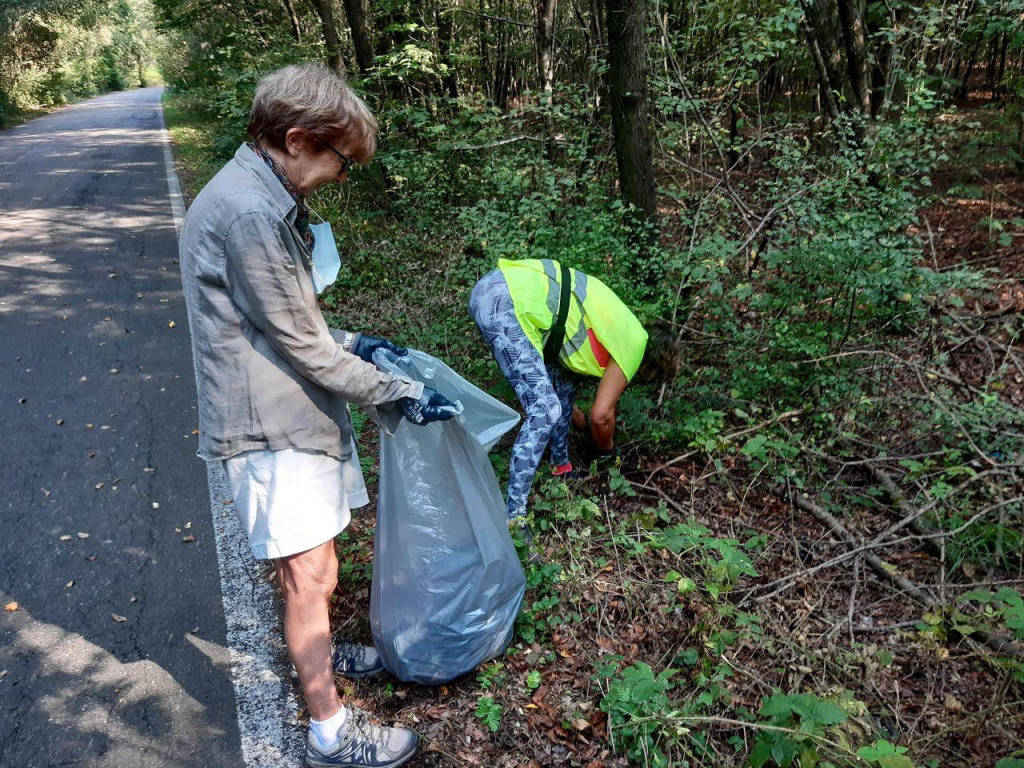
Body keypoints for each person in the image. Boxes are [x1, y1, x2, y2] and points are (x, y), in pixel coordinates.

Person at [179, 63, 453, 768]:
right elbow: (300, 344)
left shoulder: (263, 195)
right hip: (269, 422)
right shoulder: (249, 212)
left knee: (317, 567)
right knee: (306, 572)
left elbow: (288, 320)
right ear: (298, 139)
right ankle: (329, 728)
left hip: (290, 408)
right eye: (341, 160)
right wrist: (396, 392)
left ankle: (320, 652)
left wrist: (361, 344)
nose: (342, 175)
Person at [470, 258, 675, 522]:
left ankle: (561, 466)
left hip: (501, 291)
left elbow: (578, 408)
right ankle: (514, 520)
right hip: (504, 301)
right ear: (655, 366)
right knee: (545, 409)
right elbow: (601, 416)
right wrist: (607, 450)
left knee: (564, 388)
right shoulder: (635, 344)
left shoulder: (621, 328)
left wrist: (580, 425)